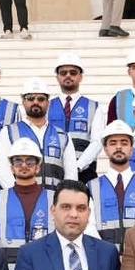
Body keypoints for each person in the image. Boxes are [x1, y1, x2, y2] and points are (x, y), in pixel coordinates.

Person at [0, 137, 54, 270]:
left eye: (29, 161)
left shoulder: (54, 199)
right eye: (18, 161)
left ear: (37, 167)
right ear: (11, 168)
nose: (24, 166)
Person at [0, 77, 76, 190]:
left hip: (55, 201)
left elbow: (71, 174)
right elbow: (2, 170)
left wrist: (61, 199)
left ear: (48, 103)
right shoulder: (9, 132)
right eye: (31, 98)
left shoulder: (63, 136)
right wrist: (19, 195)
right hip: (21, 200)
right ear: (23, 101)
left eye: (41, 99)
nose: (36, 102)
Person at [90, 120, 135, 251]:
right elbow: (89, 228)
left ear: (132, 149)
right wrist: (105, 254)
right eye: (113, 143)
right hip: (103, 258)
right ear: (105, 149)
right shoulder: (92, 188)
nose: (119, 147)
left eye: (124, 143)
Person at [49, 53, 100, 184]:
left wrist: (77, 166)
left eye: (73, 72)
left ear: (80, 76)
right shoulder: (47, 105)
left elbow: (97, 142)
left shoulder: (94, 107)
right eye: (63, 72)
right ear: (57, 77)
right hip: (53, 171)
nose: (68, 76)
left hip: (84, 172)